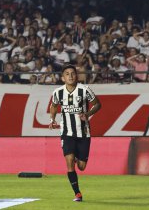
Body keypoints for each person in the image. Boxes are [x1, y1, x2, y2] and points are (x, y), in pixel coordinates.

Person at [49, 64, 101, 202]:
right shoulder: (58, 92)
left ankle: (79, 157)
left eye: (73, 73)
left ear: (76, 76)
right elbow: (53, 106)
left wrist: (88, 114)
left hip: (84, 132)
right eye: (67, 74)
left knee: (81, 167)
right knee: (69, 161)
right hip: (66, 132)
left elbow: (97, 104)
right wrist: (52, 119)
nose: (70, 76)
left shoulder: (84, 90)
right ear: (62, 78)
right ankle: (77, 193)